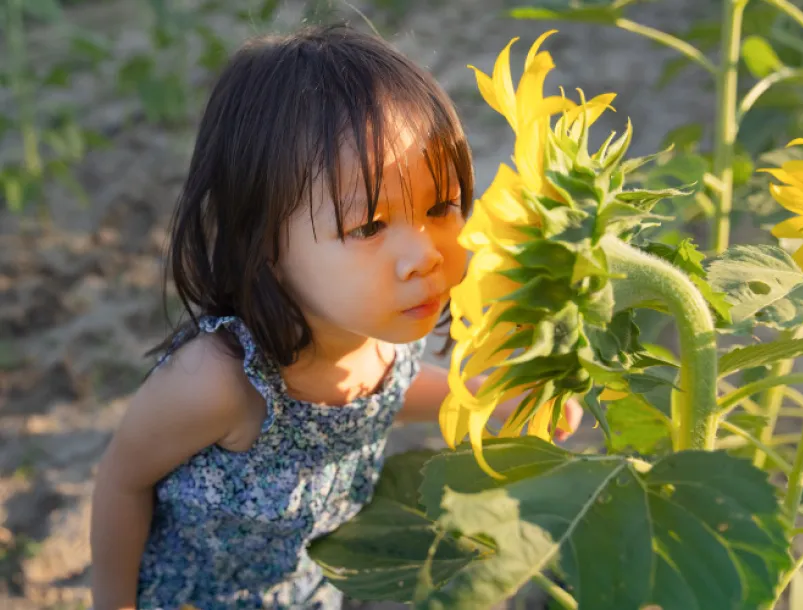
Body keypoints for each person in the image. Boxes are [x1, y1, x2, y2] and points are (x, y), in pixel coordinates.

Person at [89, 23, 583, 610]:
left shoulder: (378, 336)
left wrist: (486, 394)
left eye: (440, 206)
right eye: (370, 226)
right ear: (265, 241)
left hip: (313, 591)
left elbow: (384, 395)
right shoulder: (216, 384)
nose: (423, 255)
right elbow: (122, 481)